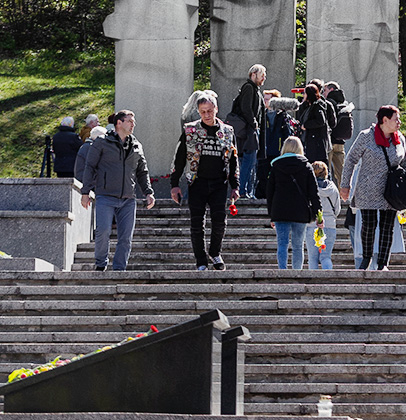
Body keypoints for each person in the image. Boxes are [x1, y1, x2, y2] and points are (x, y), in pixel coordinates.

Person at [170, 91, 239, 271]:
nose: (207, 115)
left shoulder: (227, 131)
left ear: (216, 109)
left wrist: (235, 185)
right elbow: (179, 157)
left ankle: (215, 252)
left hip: (219, 183)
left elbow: (233, 159)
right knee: (197, 223)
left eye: (210, 111)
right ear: (198, 112)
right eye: (203, 112)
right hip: (197, 182)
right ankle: (201, 261)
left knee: (219, 221)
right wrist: (174, 184)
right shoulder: (190, 130)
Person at [79, 110, 155, 271]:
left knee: (126, 237)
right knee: (103, 232)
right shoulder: (101, 142)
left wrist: (148, 192)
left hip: (128, 198)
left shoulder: (136, 145)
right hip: (105, 196)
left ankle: (120, 269)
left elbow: (142, 171)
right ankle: (101, 264)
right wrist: (85, 192)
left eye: (133, 121)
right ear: (119, 123)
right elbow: (90, 166)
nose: (133, 124)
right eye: (129, 121)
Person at [341, 105, 406, 270]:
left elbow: (405, 164)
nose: (399, 122)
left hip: (391, 190)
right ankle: (366, 259)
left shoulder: (400, 138)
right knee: (369, 225)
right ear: (384, 120)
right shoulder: (366, 136)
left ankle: (382, 263)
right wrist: (346, 184)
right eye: (396, 119)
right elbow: (351, 159)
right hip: (368, 189)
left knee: (388, 227)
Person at [267, 137, 321, 270]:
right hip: (300, 211)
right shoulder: (306, 166)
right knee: (298, 246)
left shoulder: (276, 166)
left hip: (280, 211)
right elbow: (314, 193)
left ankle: (282, 271)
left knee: (282, 244)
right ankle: (297, 272)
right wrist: (318, 214)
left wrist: (271, 215)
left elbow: (269, 192)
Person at [232, 65, 266, 199]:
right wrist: (254, 123)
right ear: (253, 74)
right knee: (248, 162)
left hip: (251, 130)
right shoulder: (249, 88)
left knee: (251, 162)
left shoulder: (255, 89)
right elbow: (246, 108)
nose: (264, 77)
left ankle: (246, 191)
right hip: (249, 131)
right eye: (262, 74)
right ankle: (242, 190)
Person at [310, 161, 340, 269]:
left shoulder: (310, 188)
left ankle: (312, 283)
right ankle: (328, 279)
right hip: (330, 225)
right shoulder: (333, 188)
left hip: (312, 224)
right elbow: (337, 209)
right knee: (326, 256)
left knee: (312, 257)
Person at [324, 83, 355, 187]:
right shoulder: (344, 103)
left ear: (331, 89)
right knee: (341, 172)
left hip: (330, 142)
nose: (323, 93)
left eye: (325, 90)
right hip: (341, 142)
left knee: (325, 171)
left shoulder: (329, 103)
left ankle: (329, 197)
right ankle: (344, 197)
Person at [297, 83, 334, 164]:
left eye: (305, 93)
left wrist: (306, 125)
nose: (303, 95)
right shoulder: (306, 106)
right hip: (308, 139)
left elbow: (321, 121)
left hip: (317, 141)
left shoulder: (318, 105)